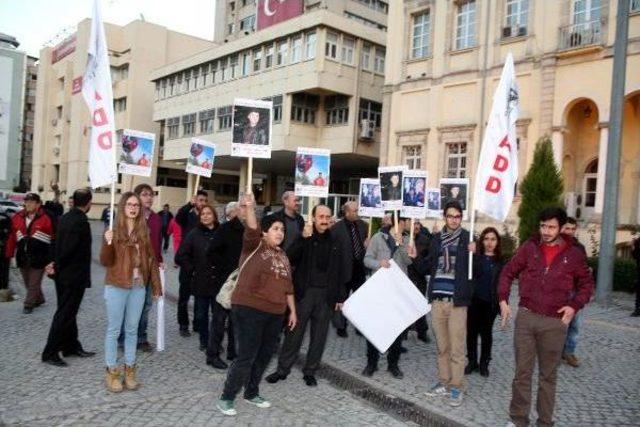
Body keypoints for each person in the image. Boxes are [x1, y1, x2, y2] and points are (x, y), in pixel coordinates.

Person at [499, 207, 593, 427]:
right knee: (522, 374)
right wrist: (503, 299)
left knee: (547, 377)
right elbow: (508, 272)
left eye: (551, 226)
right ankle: (518, 420)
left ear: (561, 228)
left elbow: (586, 284)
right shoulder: (529, 248)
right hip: (526, 318)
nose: (546, 231)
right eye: (543, 226)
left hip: (554, 322)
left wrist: (573, 306)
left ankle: (545, 422)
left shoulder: (574, 254)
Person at [217, 193, 297, 416]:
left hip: (275, 313)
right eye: (275, 229)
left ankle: (251, 392)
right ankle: (227, 396)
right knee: (247, 355)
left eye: (282, 229)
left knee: (264, 355)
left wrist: (293, 311)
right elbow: (251, 228)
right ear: (265, 231)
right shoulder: (254, 245)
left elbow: (288, 285)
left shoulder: (282, 256)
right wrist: (251, 208)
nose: (280, 232)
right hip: (249, 309)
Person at [265, 205, 346, 387]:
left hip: (326, 296)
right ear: (313, 218)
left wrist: (340, 296)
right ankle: (282, 370)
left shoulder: (336, 240)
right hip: (304, 294)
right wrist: (302, 238)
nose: (324, 220)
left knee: (319, 337)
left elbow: (341, 271)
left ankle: (310, 371)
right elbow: (288, 257)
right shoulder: (305, 237)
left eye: (327, 216)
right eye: (321, 216)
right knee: (294, 333)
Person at [410, 201, 473, 407]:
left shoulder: (468, 239)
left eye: (457, 216)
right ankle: (444, 382)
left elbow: (477, 270)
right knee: (442, 347)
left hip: (456, 302)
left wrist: (476, 252)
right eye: (450, 216)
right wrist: (414, 257)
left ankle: (456, 387)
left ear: (461, 218)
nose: (454, 219)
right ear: (445, 217)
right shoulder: (437, 239)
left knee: (457, 348)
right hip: (437, 300)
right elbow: (426, 266)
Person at [100, 192, 162, 393]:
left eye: (136, 205)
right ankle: (111, 371)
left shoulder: (143, 232)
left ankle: (130, 370)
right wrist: (107, 242)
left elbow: (151, 261)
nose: (133, 208)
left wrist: (157, 287)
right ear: (122, 207)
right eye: (129, 204)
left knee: (133, 329)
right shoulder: (113, 231)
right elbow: (105, 261)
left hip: (138, 286)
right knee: (114, 329)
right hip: (116, 285)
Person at [42, 189, 95, 367]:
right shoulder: (81, 221)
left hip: (62, 275)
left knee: (68, 312)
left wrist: (52, 262)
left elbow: (55, 242)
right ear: (89, 203)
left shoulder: (64, 218)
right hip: (72, 276)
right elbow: (68, 249)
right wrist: (56, 264)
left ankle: (71, 346)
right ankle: (50, 352)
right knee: (64, 314)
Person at [361, 215, 411, 379]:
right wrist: (379, 264)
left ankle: (393, 364)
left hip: (397, 290)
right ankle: (371, 363)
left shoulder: (407, 239)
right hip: (380, 289)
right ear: (397, 222)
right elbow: (367, 260)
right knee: (374, 328)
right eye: (404, 222)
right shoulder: (377, 238)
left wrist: (402, 243)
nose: (405, 225)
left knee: (396, 329)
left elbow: (409, 261)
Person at [119, 184, 163, 352]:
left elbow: (157, 242)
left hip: (151, 267)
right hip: (134, 267)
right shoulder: (130, 218)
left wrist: (159, 260)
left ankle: (141, 337)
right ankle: (123, 338)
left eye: (151, 195)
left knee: (146, 304)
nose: (149, 198)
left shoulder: (156, 218)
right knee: (130, 304)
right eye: (144, 195)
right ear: (136, 198)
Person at [175, 205, 220, 352]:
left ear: (214, 215)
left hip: (218, 281)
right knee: (201, 315)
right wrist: (192, 269)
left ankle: (215, 342)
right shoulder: (194, 233)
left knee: (218, 316)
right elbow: (181, 255)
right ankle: (204, 341)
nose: (205, 216)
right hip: (201, 281)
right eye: (203, 214)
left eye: (209, 213)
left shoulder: (222, 232)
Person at [206, 201, 245, 369]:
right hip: (224, 283)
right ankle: (212, 354)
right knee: (219, 321)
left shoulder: (249, 231)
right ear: (235, 212)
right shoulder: (225, 229)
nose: (246, 211)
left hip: (242, 283)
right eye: (242, 208)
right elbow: (211, 252)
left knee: (236, 320)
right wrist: (227, 270)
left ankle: (232, 352)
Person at [464, 227, 504, 377]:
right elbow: (472, 273)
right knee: (471, 332)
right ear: (482, 240)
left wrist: (502, 303)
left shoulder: (500, 262)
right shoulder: (476, 257)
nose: (489, 242)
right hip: (474, 300)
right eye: (486, 239)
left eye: (493, 239)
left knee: (486, 333)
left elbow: (502, 284)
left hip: (490, 303)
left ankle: (484, 363)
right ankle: (472, 361)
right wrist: (473, 255)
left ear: (497, 242)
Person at [6, 193, 54, 314]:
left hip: (40, 257)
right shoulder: (17, 217)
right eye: (27, 201)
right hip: (22, 256)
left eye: (32, 202)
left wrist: (53, 257)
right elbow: (12, 237)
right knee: (28, 281)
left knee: (33, 282)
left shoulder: (47, 217)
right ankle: (39, 298)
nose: (28, 204)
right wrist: (9, 253)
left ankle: (28, 304)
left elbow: (54, 238)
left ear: (38, 204)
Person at [331, 201, 368, 337]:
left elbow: (364, 245)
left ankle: (359, 327)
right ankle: (341, 326)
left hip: (359, 268)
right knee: (342, 299)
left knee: (359, 299)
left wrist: (366, 245)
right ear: (347, 212)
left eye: (357, 210)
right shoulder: (336, 229)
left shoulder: (363, 226)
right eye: (354, 211)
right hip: (344, 269)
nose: (357, 213)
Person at [175, 189, 208, 336]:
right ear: (196, 201)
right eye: (200, 200)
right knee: (184, 296)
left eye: (205, 201)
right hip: (187, 262)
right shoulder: (187, 216)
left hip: (201, 264)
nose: (203, 203)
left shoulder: (207, 219)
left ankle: (197, 323)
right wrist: (189, 204)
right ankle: (183, 324)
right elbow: (178, 218)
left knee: (200, 295)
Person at [560, 217, 588, 368]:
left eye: (572, 229)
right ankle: (555, 351)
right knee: (559, 324)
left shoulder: (579, 248)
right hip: (560, 291)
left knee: (575, 324)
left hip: (576, 291)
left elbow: (584, 270)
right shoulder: (555, 246)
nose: (570, 232)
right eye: (567, 229)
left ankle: (569, 352)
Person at [408, 220, 432, 343]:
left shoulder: (425, 239)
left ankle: (422, 331)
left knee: (420, 305)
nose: (416, 226)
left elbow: (429, 258)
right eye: (413, 223)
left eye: (417, 223)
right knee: (404, 305)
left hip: (420, 278)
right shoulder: (403, 238)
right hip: (406, 277)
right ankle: (403, 333)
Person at [632, 233, 640, 317]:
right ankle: (637, 309)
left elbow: (635, 255)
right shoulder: (638, 241)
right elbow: (635, 255)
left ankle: (637, 309)